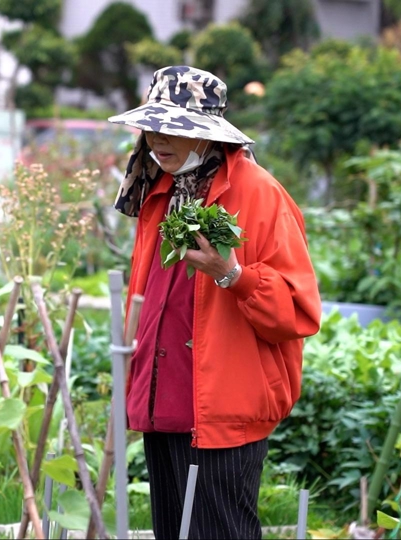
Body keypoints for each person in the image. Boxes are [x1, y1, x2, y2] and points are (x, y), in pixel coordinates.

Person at [107, 66, 322, 539]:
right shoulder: (159, 191)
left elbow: (298, 311)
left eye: (174, 128)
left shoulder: (260, 194)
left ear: (207, 135)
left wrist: (232, 275)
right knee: (173, 532)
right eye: (152, 127)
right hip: (163, 402)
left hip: (224, 403)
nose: (158, 140)